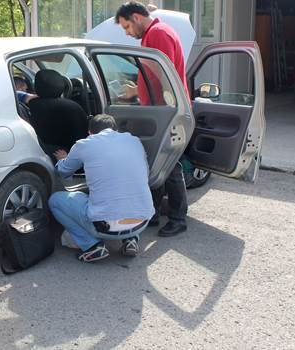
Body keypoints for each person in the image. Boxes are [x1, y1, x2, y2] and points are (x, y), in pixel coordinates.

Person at [116, 1, 189, 237]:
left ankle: (178, 218)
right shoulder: (155, 31)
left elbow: (164, 77)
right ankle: (153, 212)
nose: (127, 33)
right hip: (159, 109)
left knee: (170, 164)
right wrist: (137, 90)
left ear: (137, 18)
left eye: (127, 27)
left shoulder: (157, 33)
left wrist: (136, 92)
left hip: (166, 110)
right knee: (155, 161)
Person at [49, 114, 154, 263]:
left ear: (90, 132)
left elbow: (63, 171)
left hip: (104, 227)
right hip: (142, 222)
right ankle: (131, 239)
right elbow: (144, 174)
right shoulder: (134, 141)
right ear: (115, 129)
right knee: (130, 192)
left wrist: (61, 160)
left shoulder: (84, 144)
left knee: (55, 200)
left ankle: (92, 246)